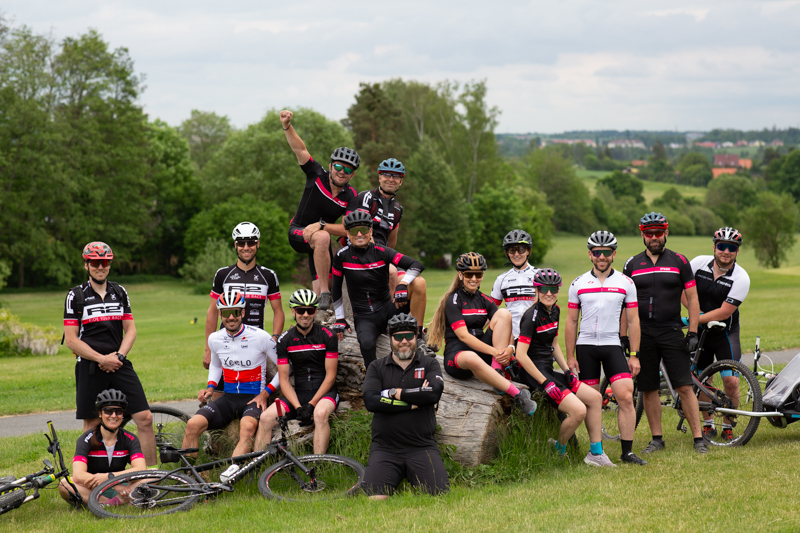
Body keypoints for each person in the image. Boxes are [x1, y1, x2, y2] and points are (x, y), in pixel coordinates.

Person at [63, 242, 156, 466]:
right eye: (95, 262)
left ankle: (150, 475)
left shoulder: (119, 292)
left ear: (110, 264)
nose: (100, 267)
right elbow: (71, 340)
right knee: (93, 425)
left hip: (119, 363)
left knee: (145, 418)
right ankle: (92, 476)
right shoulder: (76, 295)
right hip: (90, 366)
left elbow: (131, 330)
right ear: (86, 265)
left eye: (104, 262)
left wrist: (119, 357)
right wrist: (101, 359)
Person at [623, 213, 707, 454]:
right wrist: (623, 336)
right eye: (649, 233)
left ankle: (698, 439)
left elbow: (693, 299)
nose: (654, 237)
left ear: (666, 233)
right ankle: (657, 438)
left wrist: (693, 332)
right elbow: (624, 305)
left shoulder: (679, 261)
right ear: (642, 235)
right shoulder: (631, 264)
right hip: (643, 333)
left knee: (684, 386)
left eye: (658, 233)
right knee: (649, 387)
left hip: (671, 330)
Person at [516, 268, 614, 467]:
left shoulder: (555, 310)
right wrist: (545, 382)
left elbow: (554, 345)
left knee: (595, 398)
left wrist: (567, 370)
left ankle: (596, 453)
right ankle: (558, 450)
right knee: (578, 411)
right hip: (533, 374)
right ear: (537, 290)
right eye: (544, 289)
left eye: (553, 289)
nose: (549, 293)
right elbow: (520, 355)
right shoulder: (531, 316)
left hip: (548, 371)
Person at [564, 231, 646, 466]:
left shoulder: (625, 282)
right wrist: (570, 356)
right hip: (586, 346)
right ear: (590, 254)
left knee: (626, 395)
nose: (602, 256)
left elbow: (633, 321)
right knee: (592, 401)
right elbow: (571, 321)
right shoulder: (578, 283)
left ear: (614, 254)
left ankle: (627, 452)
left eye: (606, 252)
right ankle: (596, 452)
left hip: (612, 344)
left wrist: (634, 355)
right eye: (597, 252)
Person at [427, 252, 538, 415]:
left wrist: (510, 348)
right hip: (457, 357)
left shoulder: (484, 299)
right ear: (460, 275)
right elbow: (463, 336)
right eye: (469, 274)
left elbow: (505, 325)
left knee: (504, 313)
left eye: (478, 274)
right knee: (471, 357)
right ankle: (518, 395)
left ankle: (497, 370)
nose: (474, 278)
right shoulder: (453, 300)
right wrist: (495, 352)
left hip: (482, 353)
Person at [183, 288, 280, 469]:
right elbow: (216, 365)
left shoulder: (260, 336)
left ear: (242, 312)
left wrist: (265, 394)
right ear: (220, 314)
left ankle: (229, 477)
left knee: (247, 428)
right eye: (226, 313)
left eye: (235, 312)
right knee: (192, 425)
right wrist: (210, 387)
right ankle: (187, 477)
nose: (231, 317)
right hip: (228, 398)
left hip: (253, 399)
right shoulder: (215, 339)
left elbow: (284, 368)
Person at [362, 313, 449, 498]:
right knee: (375, 499)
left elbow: (433, 393)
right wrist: (413, 403)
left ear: (416, 337)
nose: (404, 341)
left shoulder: (430, 364)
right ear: (390, 338)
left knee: (438, 496)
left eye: (409, 336)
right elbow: (371, 401)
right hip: (385, 449)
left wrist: (395, 393)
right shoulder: (376, 367)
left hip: (422, 446)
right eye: (398, 337)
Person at [281, 109, 359, 309]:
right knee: (324, 238)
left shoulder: (351, 196)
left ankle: (320, 308)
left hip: (320, 243)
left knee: (324, 296)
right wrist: (287, 126)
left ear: (352, 175)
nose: (342, 172)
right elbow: (300, 149)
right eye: (338, 167)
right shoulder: (316, 174)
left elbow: (348, 230)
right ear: (331, 166)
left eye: (348, 170)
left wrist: (321, 225)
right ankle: (325, 293)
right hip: (298, 232)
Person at [330, 210, 427, 368]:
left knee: (419, 283)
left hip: (387, 310)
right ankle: (374, 379)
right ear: (347, 233)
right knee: (367, 344)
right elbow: (335, 288)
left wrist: (403, 284)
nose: (359, 234)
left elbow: (417, 265)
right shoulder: (341, 256)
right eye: (354, 230)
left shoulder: (382, 251)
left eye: (364, 229)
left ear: (371, 231)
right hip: (364, 317)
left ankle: (419, 335)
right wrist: (340, 318)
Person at [204, 222, 284, 399]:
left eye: (251, 242)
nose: (246, 247)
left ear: (258, 243)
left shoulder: (268, 275)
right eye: (241, 243)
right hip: (226, 341)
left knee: (258, 395)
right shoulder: (223, 274)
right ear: (235, 245)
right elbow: (212, 311)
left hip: (256, 345)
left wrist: (274, 337)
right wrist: (208, 349)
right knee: (218, 396)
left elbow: (278, 311)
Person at [254, 289, 339, 455]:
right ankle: (257, 465)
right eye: (301, 310)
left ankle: (318, 464)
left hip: (325, 393)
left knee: (320, 414)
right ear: (293, 312)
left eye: (310, 310)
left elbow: (331, 376)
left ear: (315, 312)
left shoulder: (328, 335)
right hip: (298, 395)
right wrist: (299, 407)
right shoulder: (285, 340)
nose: (305, 315)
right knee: (265, 418)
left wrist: (312, 404)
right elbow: (284, 379)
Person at [685, 227, 750, 441]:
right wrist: (695, 316)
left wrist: (695, 318)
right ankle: (708, 425)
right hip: (701, 332)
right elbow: (682, 292)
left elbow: (724, 312)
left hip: (725, 333)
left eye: (731, 248)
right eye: (722, 246)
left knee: (731, 381)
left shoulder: (741, 278)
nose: (726, 252)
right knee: (703, 379)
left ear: (737, 251)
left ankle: (728, 425)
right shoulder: (697, 264)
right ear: (714, 247)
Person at [347, 158, 428, 330]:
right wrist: (383, 257)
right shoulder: (366, 197)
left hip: (383, 255)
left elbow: (391, 241)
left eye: (396, 176)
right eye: (386, 175)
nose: (391, 179)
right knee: (391, 271)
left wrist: (388, 257)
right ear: (379, 177)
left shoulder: (398, 208)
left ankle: (417, 332)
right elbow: (360, 229)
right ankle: (391, 324)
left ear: (401, 181)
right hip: (362, 253)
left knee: (419, 283)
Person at [60, 389, 147, 505]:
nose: (114, 415)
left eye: (118, 411)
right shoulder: (86, 439)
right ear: (100, 414)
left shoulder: (130, 439)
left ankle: (110, 503)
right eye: (108, 411)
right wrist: (110, 483)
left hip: (120, 485)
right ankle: (109, 503)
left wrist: (110, 478)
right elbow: (78, 475)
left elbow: (141, 469)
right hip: (92, 487)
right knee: (64, 484)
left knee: (154, 474)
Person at [490, 229, 538, 339]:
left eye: (521, 249)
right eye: (512, 250)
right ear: (507, 253)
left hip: (535, 337)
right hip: (510, 337)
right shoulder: (501, 279)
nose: (516, 254)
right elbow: (491, 312)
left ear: (528, 251)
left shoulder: (539, 275)